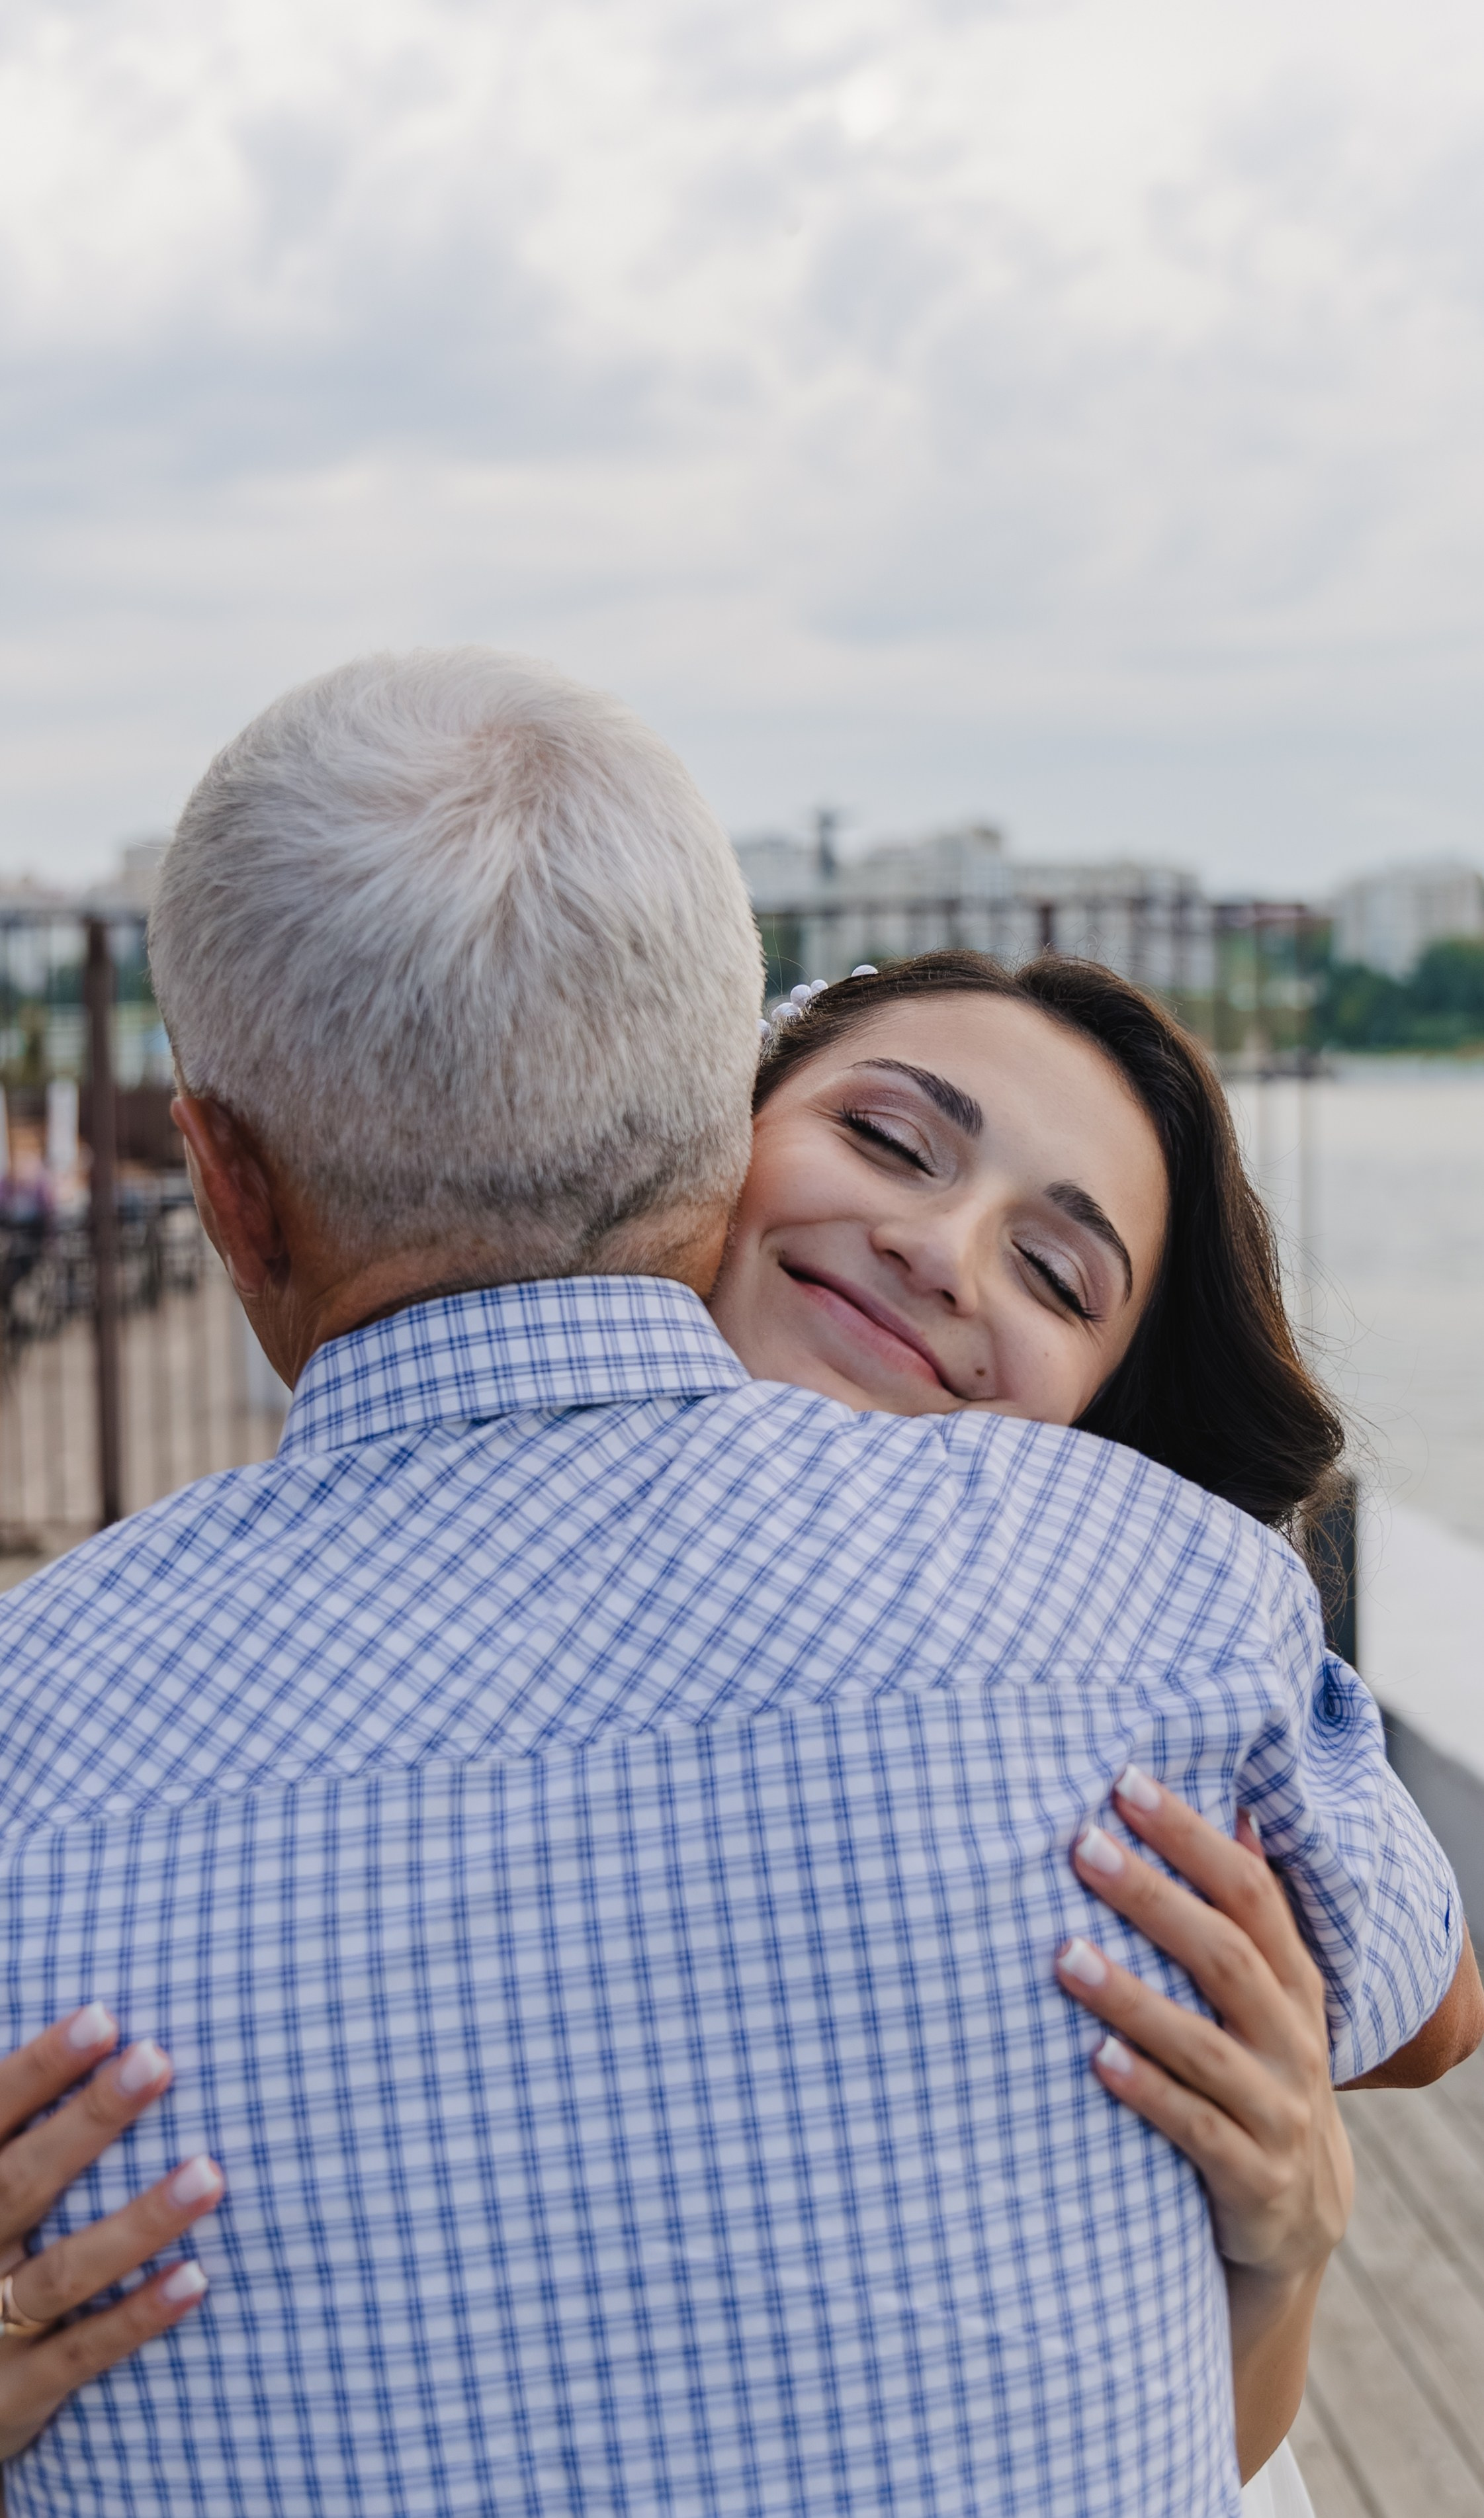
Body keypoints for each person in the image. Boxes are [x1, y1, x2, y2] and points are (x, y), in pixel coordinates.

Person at [0, 649, 1475, 2516]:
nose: (936, 1253)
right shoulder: (1156, 1611)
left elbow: (1412, 2050)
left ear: (224, 1179)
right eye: (885, 1139)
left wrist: (1286, 2237)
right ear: (721, 1111)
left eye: (1058, 1274)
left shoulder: (61, 1722)